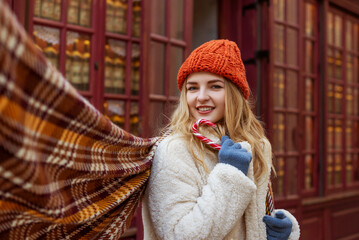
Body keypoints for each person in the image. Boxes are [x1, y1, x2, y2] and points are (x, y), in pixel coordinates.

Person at [141, 40, 300, 240]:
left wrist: (279, 231)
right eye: (192, 88)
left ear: (234, 94)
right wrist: (230, 174)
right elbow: (179, 235)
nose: (201, 97)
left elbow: (248, 221)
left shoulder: (255, 146)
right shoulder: (173, 149)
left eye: (215, 86)